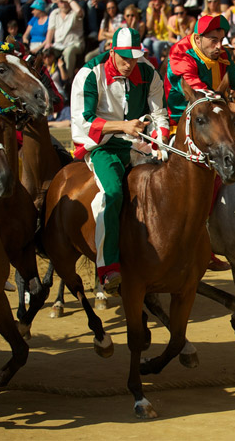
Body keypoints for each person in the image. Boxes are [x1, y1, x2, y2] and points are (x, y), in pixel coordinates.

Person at [70, 27, 170, 292]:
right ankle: (107, 268)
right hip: (102, 146)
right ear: (112, 51)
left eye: (134, 58)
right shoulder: (90, 74)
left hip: (137, 144)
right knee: (112, 193)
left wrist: (160, 141)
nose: (129, 64)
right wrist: (123, 126)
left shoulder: (149, 73)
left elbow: (159, 115)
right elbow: (84, 121)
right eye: (124, 58)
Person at [165, 15, 235, 270]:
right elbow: (202, 101)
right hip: (180, 124)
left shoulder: (223, 58)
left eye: (221, 40)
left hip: (214, 121)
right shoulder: (180, 56)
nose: (219, 45)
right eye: (213, 40)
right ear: (197, 39)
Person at [44, 0, 85, 74]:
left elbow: (79, 11)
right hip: (58, 45)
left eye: (65, 1)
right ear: (58, 3)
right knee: (45, 52)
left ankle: (67, 79)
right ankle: (48, 77)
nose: (64, 4)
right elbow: (50, 30)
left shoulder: (74, 12)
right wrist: (48, 43)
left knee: (68, 52)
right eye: (61, 2)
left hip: (75, 44)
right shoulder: (54, 13)